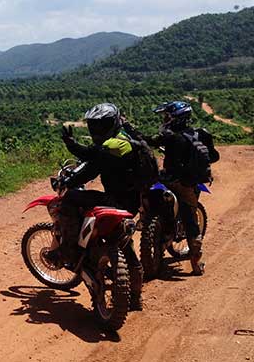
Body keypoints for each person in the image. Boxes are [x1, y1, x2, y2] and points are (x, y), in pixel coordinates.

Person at [46, 103, 144, 310]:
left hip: (113, 201)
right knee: (127, 248)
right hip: (132, 203)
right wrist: (70, 143)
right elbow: (92, 154)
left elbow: (89, 169)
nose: (97, 130)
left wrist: (66, 183)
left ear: (113, 123)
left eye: (102, 125)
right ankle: (136, 299)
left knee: (70, 199)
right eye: (95, 126)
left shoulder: (111, 149)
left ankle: (68, 251)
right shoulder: (126, 141)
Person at [146, 101, 218, 276]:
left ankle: (195, 263)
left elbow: (147, 141)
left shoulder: (170, 136)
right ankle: (196, 263)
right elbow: (214, 156)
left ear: (175, 118)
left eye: (166, 116)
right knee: (190, 218)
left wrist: (127, 128)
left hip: (170, 180)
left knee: (149, 195)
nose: (164, 119)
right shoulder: (200, 134)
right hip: (189, 182)